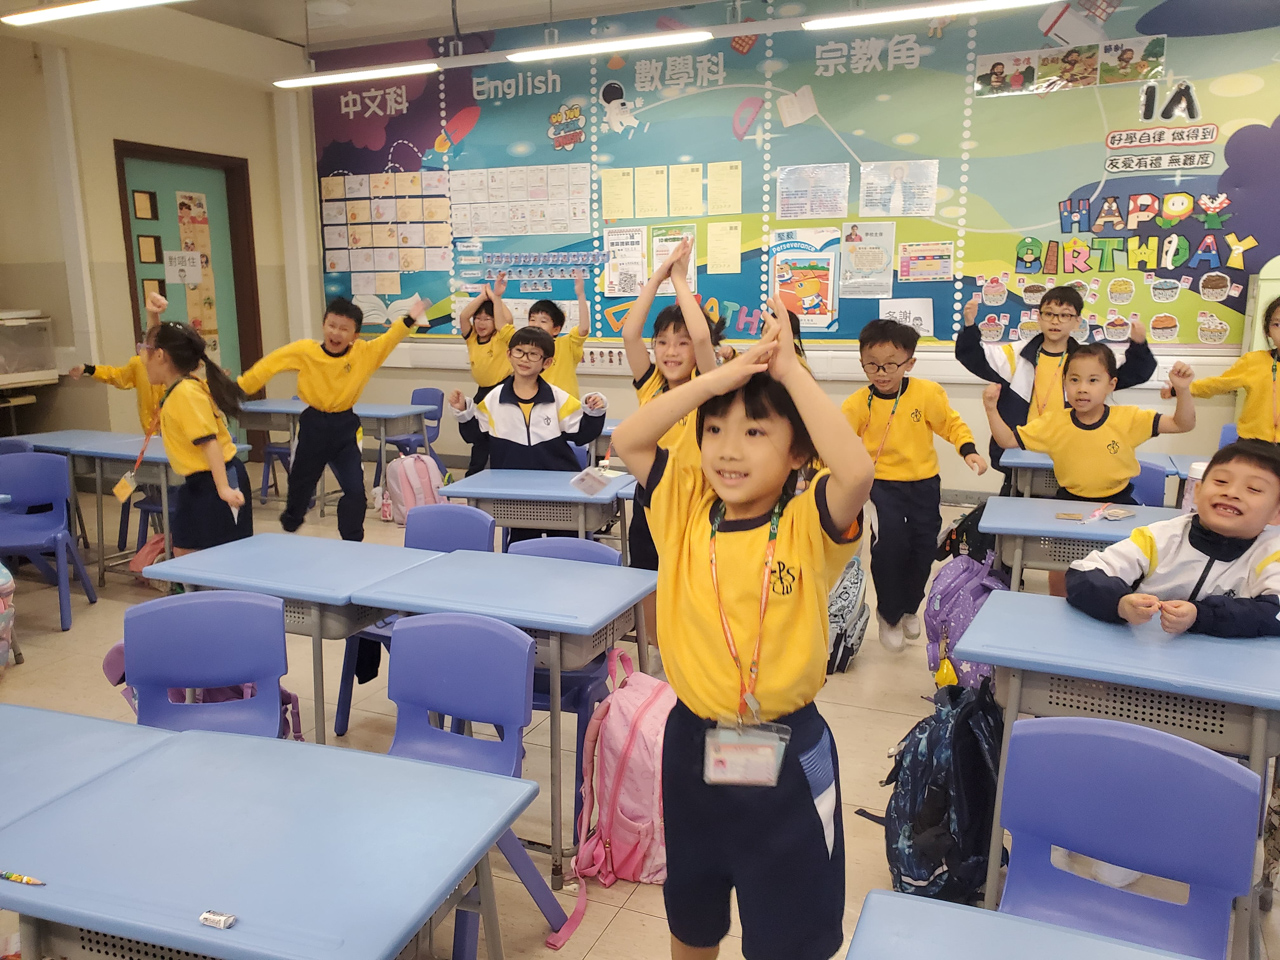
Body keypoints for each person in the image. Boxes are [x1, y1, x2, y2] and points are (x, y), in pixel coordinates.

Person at [611, 301, 873, 960]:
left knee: (790, 934)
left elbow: (856, 472)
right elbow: (631, 440)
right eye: (715, 431)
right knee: (692, 915)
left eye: (755, 431)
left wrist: (787, 370)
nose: (729, 449)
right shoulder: (683, 509)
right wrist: (716, 380)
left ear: (797, 451)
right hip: (692, 744)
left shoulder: (809, 522)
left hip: (787, 755)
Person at [985, 344, 1196, 594]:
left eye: (1093, 380)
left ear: (1111, 384)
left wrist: (1183, 390)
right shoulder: (1054, 423)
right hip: (1069, 505)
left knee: (1121, 573)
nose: (1082, 388)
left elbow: (1182, 424)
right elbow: (1008, 440)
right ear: (1064, 383)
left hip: (1119, 506)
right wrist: (991, 408)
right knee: (1061, 569)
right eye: (1074, 380)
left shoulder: (1128, 418)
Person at [843, 319, 988, 651]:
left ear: (909, 363)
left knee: (923, 548)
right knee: (890, 546)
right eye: (872, 365)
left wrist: (968, 450)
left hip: (924, 484)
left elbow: (950, 423)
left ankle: (910, 606)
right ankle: (889, 614)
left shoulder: (926, 393)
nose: (881, 373)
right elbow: (838, 441)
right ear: (862, 362)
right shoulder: (857, 404)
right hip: (881, 487)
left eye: (890, 365)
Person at [236, 295, 428, 542]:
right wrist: (241, 387)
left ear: (355, 335)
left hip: (345, 427)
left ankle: (352, 539)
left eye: (344, 329)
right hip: (313, 424)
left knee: (355, 491)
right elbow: (269, 364)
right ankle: (292, 520)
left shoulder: (364, 353)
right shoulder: (305, 350)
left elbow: (390, 339)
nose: (336, 333)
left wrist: (409, 319)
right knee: (300, 484)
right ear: (324, 325)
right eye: (332, 325)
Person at [1066, 439, 1280, 636]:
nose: (1231, 492)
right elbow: (1083, 573)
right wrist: (1120, 603)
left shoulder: (1272, 555)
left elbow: (1275, 614)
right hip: (1140, 651)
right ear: (1197, 491)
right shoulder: (1158, 538)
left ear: (1276, 513)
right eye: (1221, 481)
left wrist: (1202, 616)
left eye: (1254, 489)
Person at [621, 236, 718, 657]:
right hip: (651, 499)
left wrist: (680, 279)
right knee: (647, 576)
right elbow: (629, 333)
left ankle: (692, 650)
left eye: (681, 343)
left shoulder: (708, 386)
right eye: (662, 342)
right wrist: (658, 276)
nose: (671, 351)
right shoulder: (651, 386)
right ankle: (659, 653)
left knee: (694, 580)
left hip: (696, 502)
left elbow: (702, 338)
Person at [957, 286, 1157, 490]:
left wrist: (1138, 344)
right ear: (1039, 317)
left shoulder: (1087, 360)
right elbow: (975, 357)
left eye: (1065, 315)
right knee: (1016, 500)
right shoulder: (1016, 354)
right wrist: (970, 325)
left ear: (1077, 321)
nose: (1055, 321)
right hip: (1023, 450)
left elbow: (1134, 372)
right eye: (1049, 314)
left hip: (1072, 452)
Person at [447, 326, 607, 540]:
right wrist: (463, 413)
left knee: (564, 543)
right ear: (509, 354)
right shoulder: (494, 399)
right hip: (514, 491)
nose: (524, 358)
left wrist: (595, 410)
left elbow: (583, 435)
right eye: (519, 351)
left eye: (533, 354)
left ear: (546, 362)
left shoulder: (558, 398)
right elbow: (475, 437)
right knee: (522, 544)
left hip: (559, 491)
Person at [141, 321, 251, 555]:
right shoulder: (177, 387)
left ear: (160, 355)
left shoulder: (185, 393)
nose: (141, 356)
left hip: (216, 480)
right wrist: (154, 315)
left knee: (220, 558)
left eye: (144, 349)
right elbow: (159, 339)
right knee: (184, 551)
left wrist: (223, 489)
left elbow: (209, 442)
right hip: (197, 483)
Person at [1182, 295, 1280, 442]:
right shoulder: (1253, 361)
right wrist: (1182, 389)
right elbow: (1219, 384)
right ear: (1268, 331)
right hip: (1253, 444)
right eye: (1277, 324)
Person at [69, 291, 167, 432]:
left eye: (145, 348)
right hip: (151, 436)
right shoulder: (139, 365)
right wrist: (88, 369)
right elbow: (117, 376)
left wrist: (153, 315)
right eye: (142, 347)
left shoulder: (179, 380)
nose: (143, 351)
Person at [458, 273, 515, 475]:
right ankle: (475, 474)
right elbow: (463, 316)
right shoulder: (472, 337)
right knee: (479, 436)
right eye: (478, 319)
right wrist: (482, 296)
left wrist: (495, 297)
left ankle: (502, 473)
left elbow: (508, 319)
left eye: (487, 319)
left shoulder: (500, 337)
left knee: (499, 436)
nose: (481, 323)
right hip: (483, 392)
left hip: (502, 390)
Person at [525, 269, 590, 396]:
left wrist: (581, 294)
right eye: (532, 320)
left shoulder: (567, 344)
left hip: (566, 405)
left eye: (543, 321)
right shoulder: (525, 348)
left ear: (556, 329)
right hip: (538, 403)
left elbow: (583, 329)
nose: (536, 324)